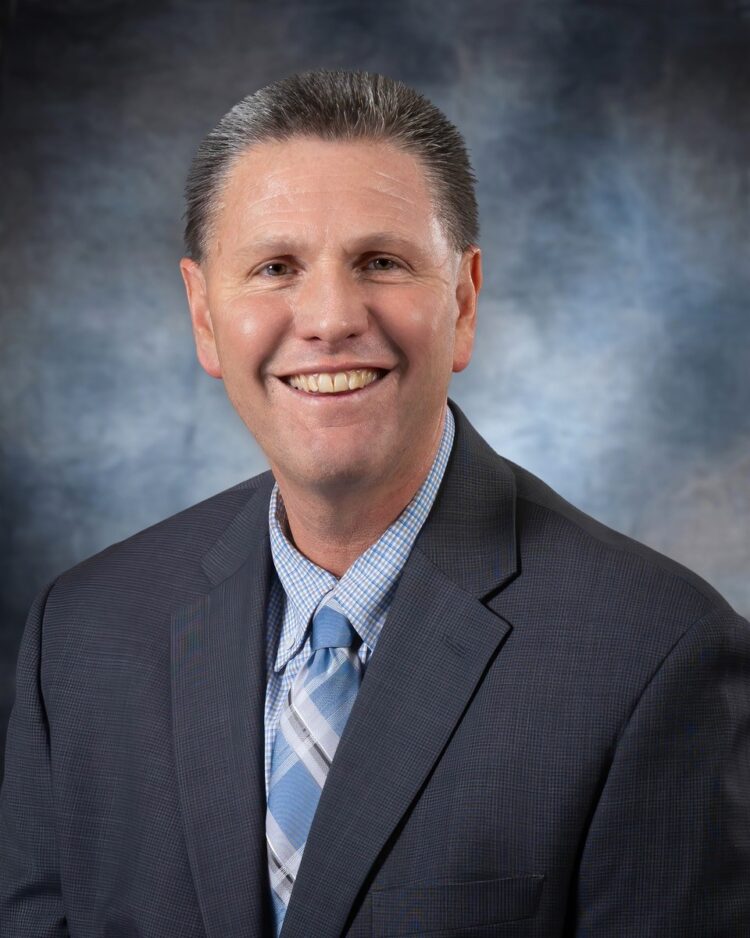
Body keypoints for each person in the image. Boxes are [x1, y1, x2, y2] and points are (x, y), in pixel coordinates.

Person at [1, 68, 748, 938]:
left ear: (463, 302)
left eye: (381, 263)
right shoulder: (82, 634)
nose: (329, 318)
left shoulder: (658, 654)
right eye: (275, 267)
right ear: (204, 316)